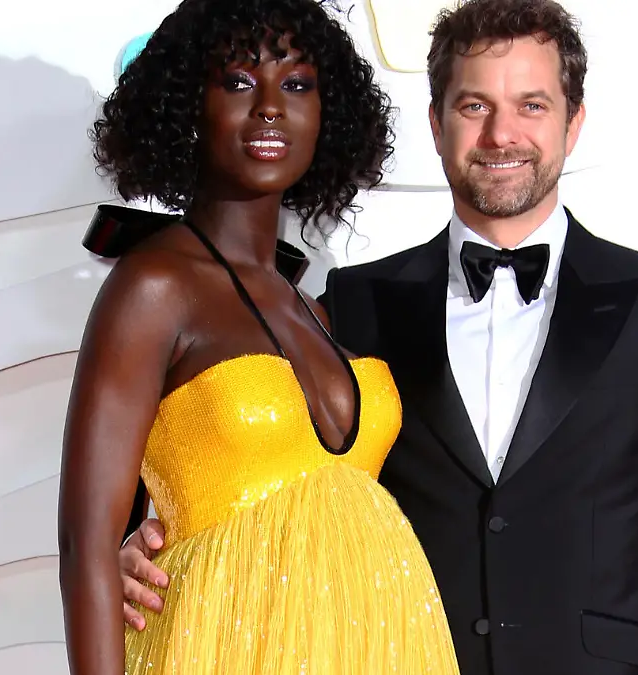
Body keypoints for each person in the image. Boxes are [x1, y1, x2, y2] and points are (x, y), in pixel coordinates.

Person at [118, 0, 638, 673]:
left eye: (532, 106)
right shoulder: (355, 305)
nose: (501, 134)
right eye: (475, 106)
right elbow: (229, 444)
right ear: (436, 123)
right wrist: (135, 544)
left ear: (574, 123)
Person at [57, 0, 462, 673]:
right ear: (188, 104)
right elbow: (86, 547)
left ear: (328, 115)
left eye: (297, 84)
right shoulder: (153, 287)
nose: (271, 107)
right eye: (240, 81)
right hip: (217, 648)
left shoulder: (313, 309)